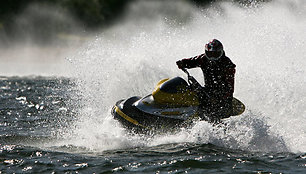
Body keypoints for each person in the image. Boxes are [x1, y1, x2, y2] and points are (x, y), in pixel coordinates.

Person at [176, 39, 236, 122]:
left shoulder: (228, 65)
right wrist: (182, 63)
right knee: (186, 89)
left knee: (209, 113)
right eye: (210, 54)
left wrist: (219, 97)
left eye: (215, 54)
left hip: (222, 98)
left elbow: (229, 88)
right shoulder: (203, 58)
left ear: (221, 52)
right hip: (207, 91)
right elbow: (192, 61)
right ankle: (175, 111)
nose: (212, 57)